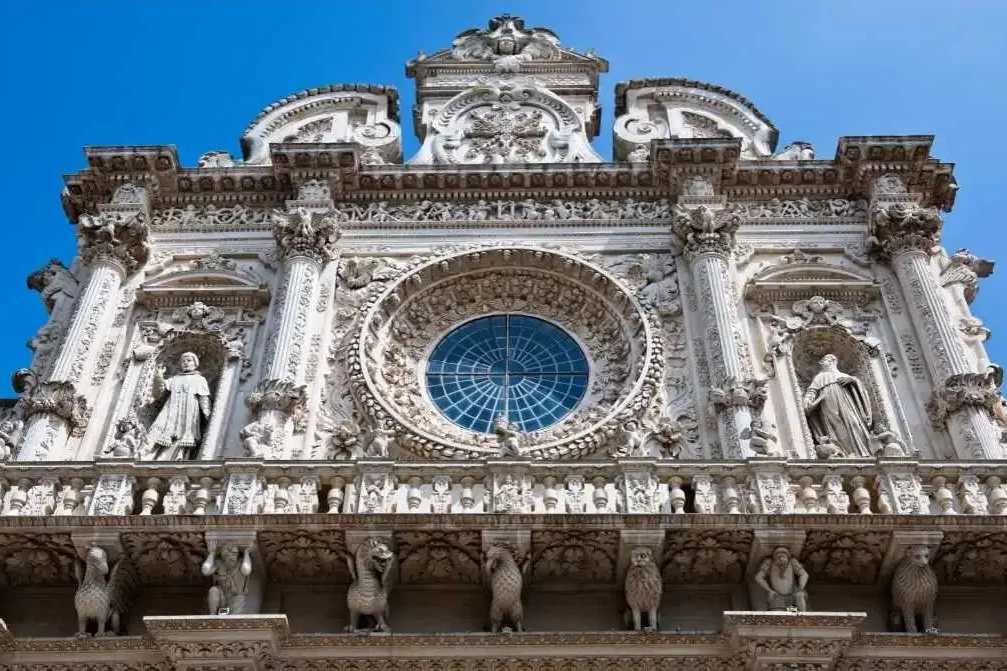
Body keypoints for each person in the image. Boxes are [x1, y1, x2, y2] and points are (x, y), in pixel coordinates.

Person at [803, 354, 873, 458]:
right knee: (837, 426)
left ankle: (862, 452)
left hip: (846, 401)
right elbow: (812, 391)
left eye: (825, 360)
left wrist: (853, 381)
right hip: (827, 402)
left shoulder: (845, 376)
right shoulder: (820, 377)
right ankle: (845, 453)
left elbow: (862, 390)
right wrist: (807, 399)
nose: (821, 363)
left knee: (854, 423)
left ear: (833, 361)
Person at [145, 352, 212, 460]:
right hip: (171, 407)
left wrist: (207, 414)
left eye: (189, 360)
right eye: (183, 361)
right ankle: (148, 454)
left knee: (183, 432)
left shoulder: (199, 379)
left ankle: (176, 457)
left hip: (189, 409)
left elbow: (204, 397)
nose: (186, 363)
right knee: (160, 427)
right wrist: (159, 376)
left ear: (195, 363)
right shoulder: (174, 379)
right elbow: (158, 392)